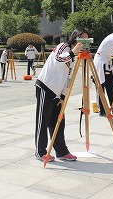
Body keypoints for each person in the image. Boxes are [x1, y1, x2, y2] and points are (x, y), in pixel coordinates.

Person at [34, 28, 88, 162]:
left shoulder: (74, 57)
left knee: (59, 122)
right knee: (43, 121)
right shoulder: (63, 46)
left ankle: (62, 151)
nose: (84, 42)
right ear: (75, 38)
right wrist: (73, 52)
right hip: (45, 87)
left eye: (87, 40)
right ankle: (40, 151)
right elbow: (58, 59)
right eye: (82, 39)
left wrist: (63, 96)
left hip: (58, 93)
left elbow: (68, 77)